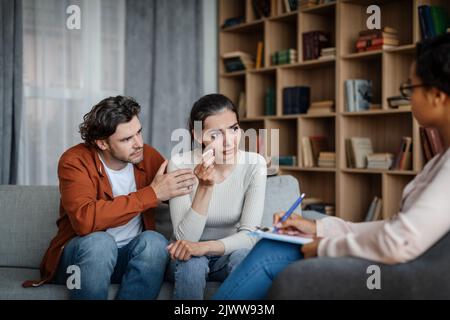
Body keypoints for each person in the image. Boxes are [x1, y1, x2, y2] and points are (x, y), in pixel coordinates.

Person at [213, 33, 450, 300]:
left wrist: (325, 247)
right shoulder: (442, 159)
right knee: (272, 246)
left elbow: (398, 242)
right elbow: (396, 226)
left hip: (397, 275)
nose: (408, 97)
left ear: (438, 95)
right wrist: (319, 229)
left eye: (411, 88)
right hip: (395, 262)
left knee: (271, 254)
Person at [23, 96, 196, 300]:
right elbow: (84, 221)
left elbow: (183, 189)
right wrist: (152, 194)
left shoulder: (146, 155)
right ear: (102, 143)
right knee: (100, 243)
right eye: (126, 139)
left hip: (127, 259)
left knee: (155, 242)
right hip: (79, 262)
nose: (139, 143)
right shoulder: (74, 161)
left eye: (138, 132)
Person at [166, 94, 267, 299]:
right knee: (191, 263)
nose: (229, 142)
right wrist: (205, 186)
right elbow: (185, 240)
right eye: (215, 135)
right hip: (186, 257)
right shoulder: (179, 164)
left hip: (226, 254)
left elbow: (250, 236)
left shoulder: (255, 164)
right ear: (197, 136)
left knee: (244, 257)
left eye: (234, 129)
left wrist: (204, 248)